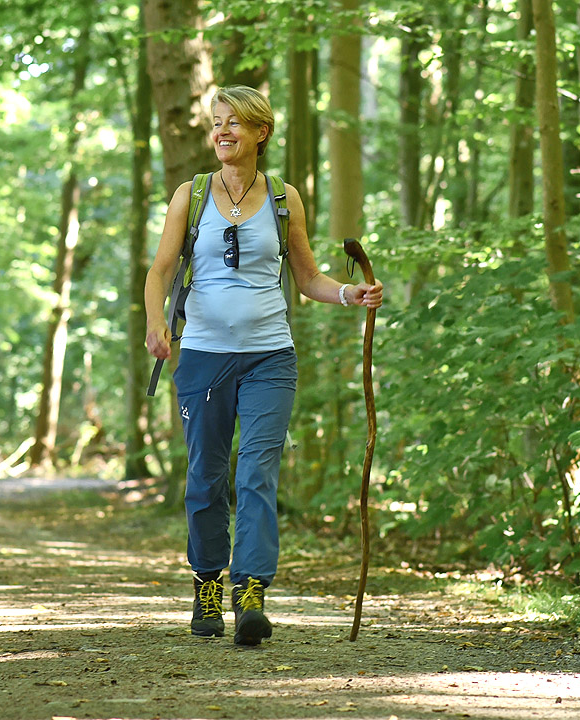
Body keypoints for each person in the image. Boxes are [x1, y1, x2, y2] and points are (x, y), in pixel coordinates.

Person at [144, 85, 383, 647]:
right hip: (202, 356)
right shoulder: (191, 194)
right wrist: (157, 325)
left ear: (261, 133)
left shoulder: (283, 198)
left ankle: (250, 588)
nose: (222, 132)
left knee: (256, 471)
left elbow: (307, 279)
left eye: (234, 123)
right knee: (206, 475)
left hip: (270, 356)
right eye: (216, 122)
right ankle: (207, 582)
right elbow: (159, 271)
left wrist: (351, 294)